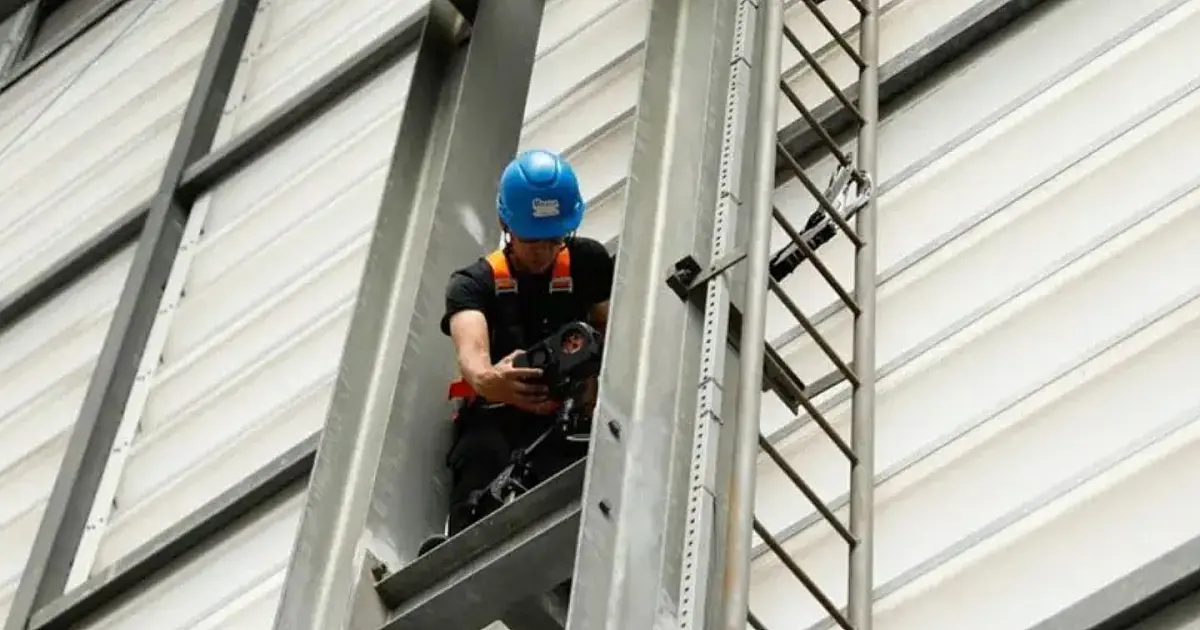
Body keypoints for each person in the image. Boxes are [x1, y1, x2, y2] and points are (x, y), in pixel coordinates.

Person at [427, 149, 615, 551]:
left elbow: (615, 327)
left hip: (568, 421)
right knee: (480, 457)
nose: (543, 252)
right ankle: (462, 549)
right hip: (499, 422)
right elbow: (471, 356)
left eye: (553, 240)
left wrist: (595, 380)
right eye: (532, 240)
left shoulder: (588, 264)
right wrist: (492, 379)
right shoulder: (473, 285)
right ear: (506, 224)